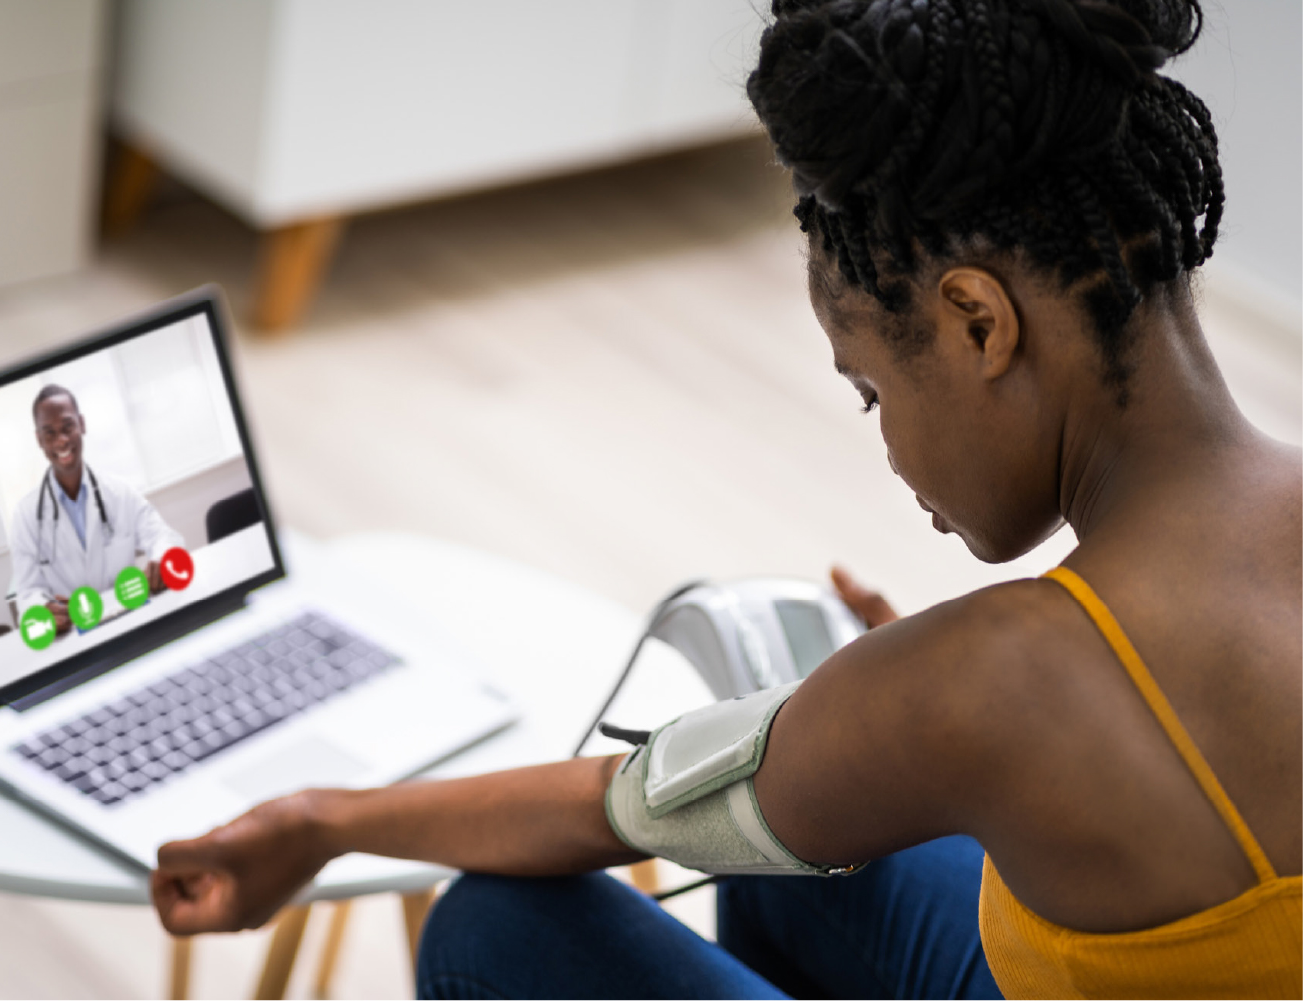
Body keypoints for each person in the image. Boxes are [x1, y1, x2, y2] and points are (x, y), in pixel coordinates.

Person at [148, 0, 1302, 996]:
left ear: (976, 321)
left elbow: (624, 805)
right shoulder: (1021, 675)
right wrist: (927, 706)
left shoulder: (993, 678)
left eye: (869, 393)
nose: (892, 452)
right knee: (826, 856)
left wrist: (318, 825)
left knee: (498, 928)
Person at [8, 384, 183, 634]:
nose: (61, 440)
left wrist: (162, 558)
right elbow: (27, 592)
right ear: (39, 439)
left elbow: (163, 537)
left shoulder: (119, 492)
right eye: (50, 433)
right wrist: (42, 609)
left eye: (68, 426)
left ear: (82, 424)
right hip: (77, 636)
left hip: (133, 621)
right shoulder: (26, 516)